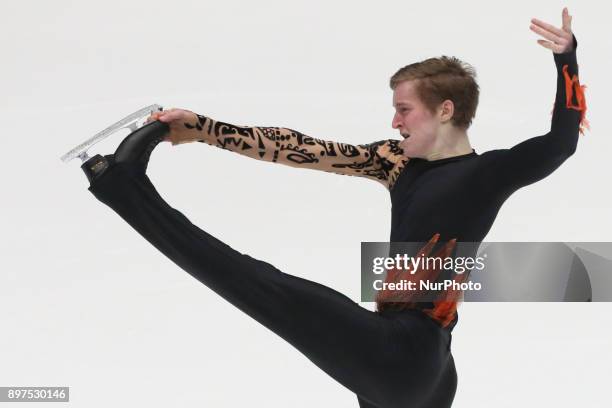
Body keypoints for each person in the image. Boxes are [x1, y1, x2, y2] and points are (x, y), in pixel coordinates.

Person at [84, 8, 587, 408]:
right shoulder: (393, 162)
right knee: (268, 288)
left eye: (404, 109)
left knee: (263, 286)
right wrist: (203, 128)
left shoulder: (488, 173)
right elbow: (300, 147)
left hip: (406, 357)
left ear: (446, 110)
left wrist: (567, 58)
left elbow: (561, 141)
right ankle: (126, 185)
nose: (395, 121)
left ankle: (123, 189)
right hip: (416, 374)